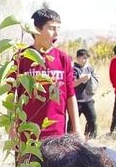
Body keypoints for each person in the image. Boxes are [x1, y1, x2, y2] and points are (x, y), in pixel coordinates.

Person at [12, 7, 80, 139]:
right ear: (37, 29)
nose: (56, 34)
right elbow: (12, 94)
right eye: (52, 28)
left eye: (58, 29)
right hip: (27, 132)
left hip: (56, 133)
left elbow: (71, 96)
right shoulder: (21, 58)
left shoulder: (63, 58)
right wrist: (12, 127)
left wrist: (77, 129)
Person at [72, 48, 98, 139]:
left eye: (87, 58)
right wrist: (82, 79)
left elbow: (96, 82)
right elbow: (72, 83)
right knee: (73, 121)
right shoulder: (74, 69)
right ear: (78, 58)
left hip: (88, 100)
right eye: (84, 58)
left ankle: (89, 138)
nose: (86, 60)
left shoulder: (90, 69)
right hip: (77, 100)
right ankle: (70, 138)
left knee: (92, 119)